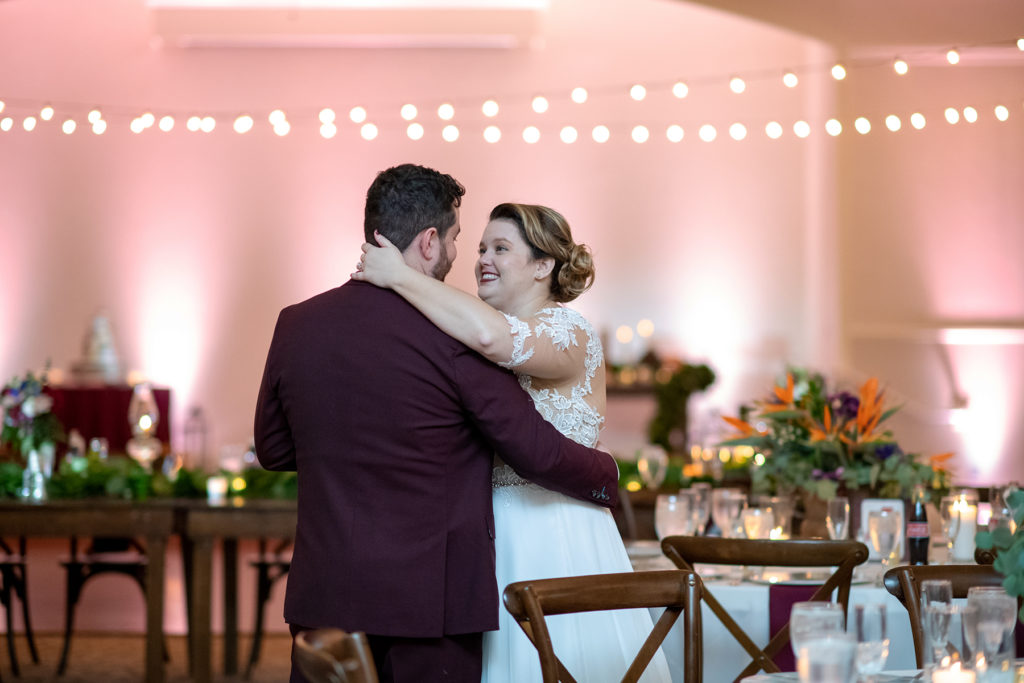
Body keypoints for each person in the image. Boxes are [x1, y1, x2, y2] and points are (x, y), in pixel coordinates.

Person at [254, 163, 620, 683]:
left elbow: (272, 449)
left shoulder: (297, 323)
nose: (464, 256)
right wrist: (608, 474)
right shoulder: (455, 336)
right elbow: (532, 449)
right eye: (458, 240)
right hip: (429, 600)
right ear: (429, 241)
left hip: (326, 592)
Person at [354, 202, 672, 682]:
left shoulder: (568, 331)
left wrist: (399, 275)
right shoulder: (474, 328)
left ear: (543, 266)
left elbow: (493, 339)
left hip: (558, 536)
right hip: (488, 537)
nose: (483, 258)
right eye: (481, 248)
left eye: (501, 248)